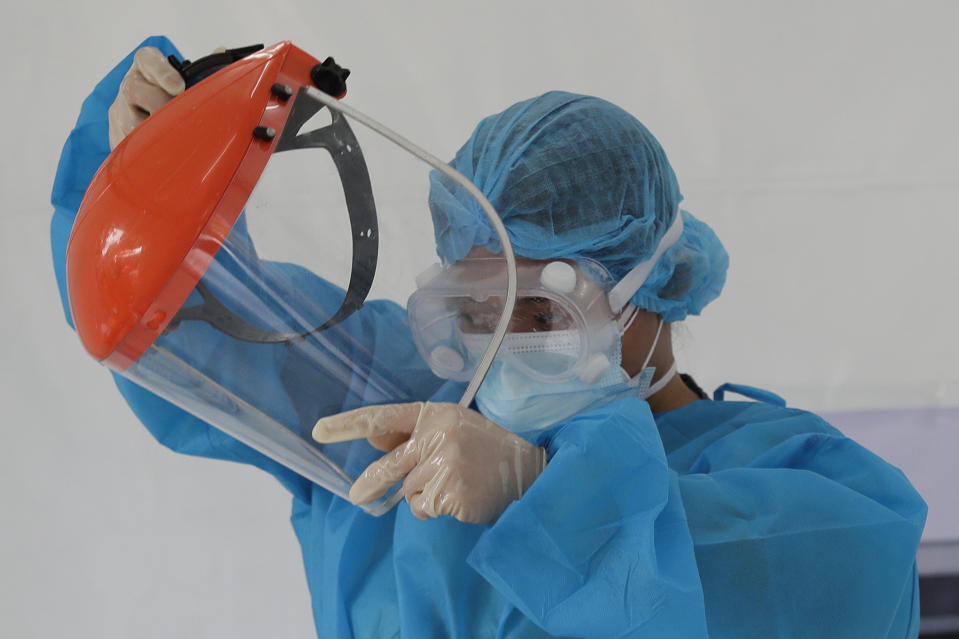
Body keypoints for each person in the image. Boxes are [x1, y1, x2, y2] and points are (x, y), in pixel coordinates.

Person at [51, 37, 926, 638]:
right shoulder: (396, 424)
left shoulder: (816, 491)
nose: (497, 349)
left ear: (650, 289)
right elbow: (198, 332)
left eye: (541, 312)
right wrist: (144, 176)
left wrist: (546, 490)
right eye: (471, 311)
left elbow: (804, 571)